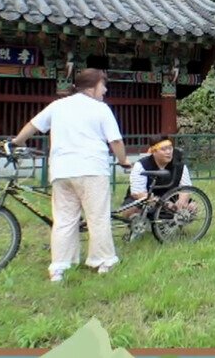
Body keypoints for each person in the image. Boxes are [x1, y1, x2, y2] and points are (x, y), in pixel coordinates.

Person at [11, 68, 131, 282]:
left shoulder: (58, 106)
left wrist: (15, 143)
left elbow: (33, 126)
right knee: (97, 217)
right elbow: (115, 141)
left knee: (64, 220)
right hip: (91, 169)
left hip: (62, 170)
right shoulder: (100, 109)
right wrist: (123, 161)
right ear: (92, 86)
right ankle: (103, 261)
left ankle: (59, 267)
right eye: (103, 85)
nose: (105, 90)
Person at [123, 135, 194, 214]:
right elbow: (137, 193)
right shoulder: (141, 165)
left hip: (171, 197)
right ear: (154, 151)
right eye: (163, 149)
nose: (168, 152)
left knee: (192, 206)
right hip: (148, 199)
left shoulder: (179, 166)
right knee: (131, 210)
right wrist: (162, 203)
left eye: (170, 148)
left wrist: (182, 201)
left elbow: (186, 187)